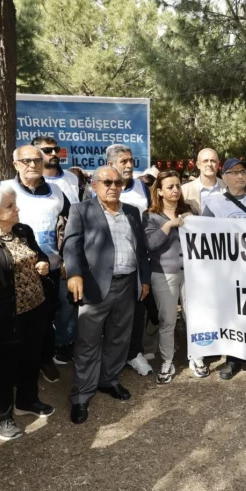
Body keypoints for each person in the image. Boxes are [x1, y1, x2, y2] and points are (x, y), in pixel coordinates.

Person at [0, 185, 55, 440]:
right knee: (2, 367)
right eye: (10, 206)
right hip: (6, 317)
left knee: (31, 358)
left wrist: (43, 263)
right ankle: (1, 417)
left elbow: (38, 254)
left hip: (36, 309)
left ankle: (27, 401)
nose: (17, 209)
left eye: (14, 204)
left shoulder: (23, 231)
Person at [63, 167, 151, 424]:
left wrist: (144, 279)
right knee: (88, 342)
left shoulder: (132, 211)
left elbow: (141, 249)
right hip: (94, 286)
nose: (113, 187)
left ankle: (109, 380)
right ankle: (81, 395)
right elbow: (71, 244)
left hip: (127, 284)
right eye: (107, 182)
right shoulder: (81, 210)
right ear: (94, 185)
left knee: (119, 337)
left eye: (118, 182)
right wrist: (74, 274)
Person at [0, 145, 70, 384]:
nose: (32, 165)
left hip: (50, 268)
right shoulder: (3, 189)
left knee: (47, 317)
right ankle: (19, 365)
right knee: (20, 321)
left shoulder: (57, 191)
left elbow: (70, 226)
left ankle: (45, 358)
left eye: (37, 160)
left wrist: (66, 258)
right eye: (26, 161)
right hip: (16, 271)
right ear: (15, 164)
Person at [201, 158, 246, 380]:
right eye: (234, 172)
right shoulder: (214, 203)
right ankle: (233, 359)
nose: (240, 176)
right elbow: (204, 235)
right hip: (227, 272)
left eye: (243, 172)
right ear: (224, 177)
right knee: (232, 314)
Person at [105, 144, 155, 377]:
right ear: (110, 164)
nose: (129, 165)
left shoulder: (143, 187)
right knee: (108, 315)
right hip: (107, 267)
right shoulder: (95, 189)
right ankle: (110, 358)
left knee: (137, 309)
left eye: (131, 160)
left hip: (137, 261)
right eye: (123, 161)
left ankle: (135, 353)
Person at [143, 171, 191, 382]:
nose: (175, 190)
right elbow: (150, 244)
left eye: (178, 186)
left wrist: (193, 221)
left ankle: (196, 356)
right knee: (168, 320)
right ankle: (167, 360)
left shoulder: (189, 211)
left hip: (191, 274)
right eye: (170, 187)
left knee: (194, 317)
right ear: (160, 191)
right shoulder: (150, 216)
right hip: (163, 274)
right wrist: (168, 225)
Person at [33, 135, 80, 204]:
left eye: (56, 149)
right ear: (36, 154)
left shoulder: (72, 177)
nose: (54, 153)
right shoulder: (32, 181)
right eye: (47, 150)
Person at [182, 148, 226, 215]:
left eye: (213, 161)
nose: (209, 164)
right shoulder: (184, 191)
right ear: (198, 165)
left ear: (218, 164)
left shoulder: (227, 188)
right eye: (205, 161)